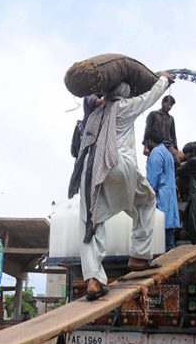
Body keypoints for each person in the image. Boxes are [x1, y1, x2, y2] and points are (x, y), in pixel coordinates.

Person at [68, 73, 173, 301]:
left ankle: (94, 279)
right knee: (146, 200)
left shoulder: (95, 113)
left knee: (91, 222)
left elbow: (88, 103)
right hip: (117, 164)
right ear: (124, 93)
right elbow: (151, 97)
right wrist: (164, 80)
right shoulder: (125, 106)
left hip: (90, 169)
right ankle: (139, 256)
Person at [145, 130, 180, 252]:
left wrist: (146, 196)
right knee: (168, 230)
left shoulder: (156, 153)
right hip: (169, 194)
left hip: (161, 195)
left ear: (150, 141)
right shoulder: (167, 153)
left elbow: (153, 178)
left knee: (161, 231)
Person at [143, 95, 178, 161]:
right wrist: (146, 146)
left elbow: (173, 134)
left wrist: (176, 148)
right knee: (155, 163)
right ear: (162, 103)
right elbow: (147, 130)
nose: (169, 107)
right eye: (168, 104)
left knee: (175, 161)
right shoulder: (153, 114)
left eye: (171, 105)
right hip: (154, 143)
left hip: (168, 145)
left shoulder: (171, 118)